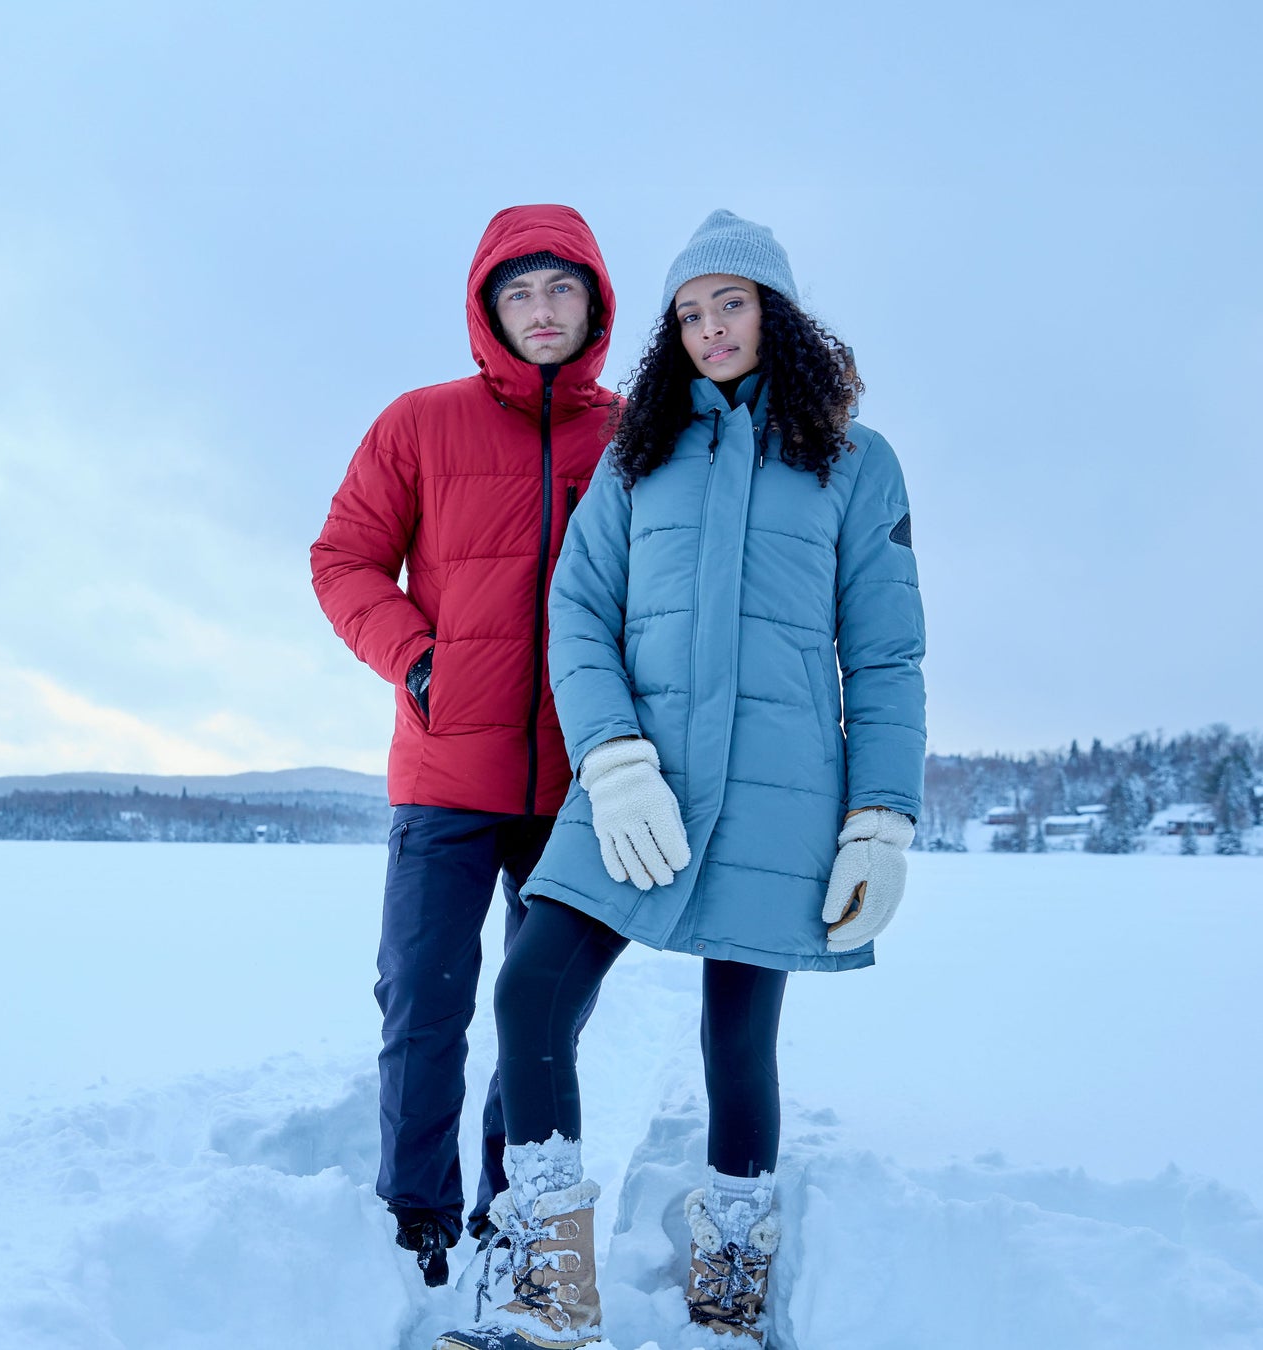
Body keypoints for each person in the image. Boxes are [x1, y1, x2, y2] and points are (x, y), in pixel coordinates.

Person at [439, 210, 925, 1349]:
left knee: (737, 1039)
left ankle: (735, 1276)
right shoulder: (637, 455)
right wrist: (609, 758)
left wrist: (880, 820)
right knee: (530, 988)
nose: (711, 329)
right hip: (635, 793)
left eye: (733, 305)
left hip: (781, 798)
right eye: (691, 313)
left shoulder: (857, 460)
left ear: (778, 314)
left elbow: (887, 652)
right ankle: (548, 1284)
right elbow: (579, 611)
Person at [311, 205, 621, 1286]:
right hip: (446, 775)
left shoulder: (635, 438)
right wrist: (418, 658)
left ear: (595, 304)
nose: (541, 311)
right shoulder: (420, 423)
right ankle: (415, 1207)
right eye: (519, 294)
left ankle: (511, 1200)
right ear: (491, 309)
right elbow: (343, 560)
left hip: (581, 782)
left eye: (561, 291)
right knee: (424, 994)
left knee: (543, 1011)